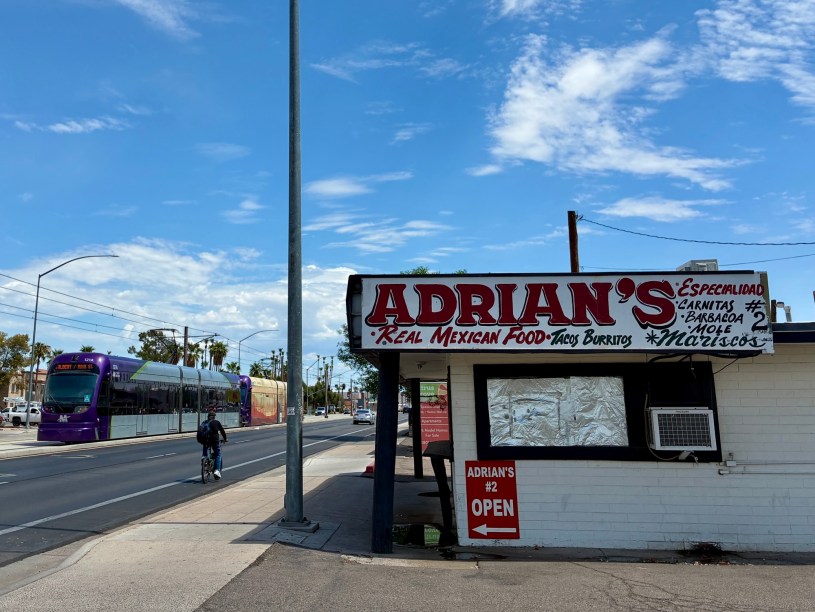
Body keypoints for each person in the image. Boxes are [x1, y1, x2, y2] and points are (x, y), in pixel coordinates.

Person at [202, 409, 227, 479]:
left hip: (206, 440)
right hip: (215, 441)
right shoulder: (216, 422)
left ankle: (204, 457)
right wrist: (225, 439)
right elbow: (222, 431)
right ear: (214, 417)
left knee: (205, 447)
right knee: (218, 454)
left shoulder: (204, 423)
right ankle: (216, 470)